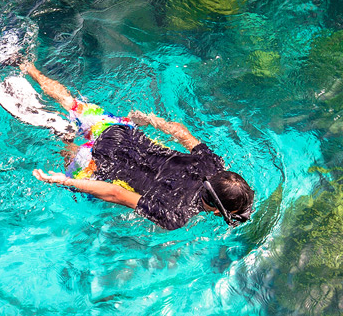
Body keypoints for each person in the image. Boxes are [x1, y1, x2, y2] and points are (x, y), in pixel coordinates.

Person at [16, 59, 254, 230]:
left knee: (70, 102)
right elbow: (115, 193)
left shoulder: (213, 162)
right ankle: (64, 137)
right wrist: (65, 181)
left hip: (121, 132)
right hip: (97, 163)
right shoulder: (176, 215)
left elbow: (181, 132)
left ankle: (26, 66)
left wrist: (149, 120)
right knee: (72, 160)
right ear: (216, 210)